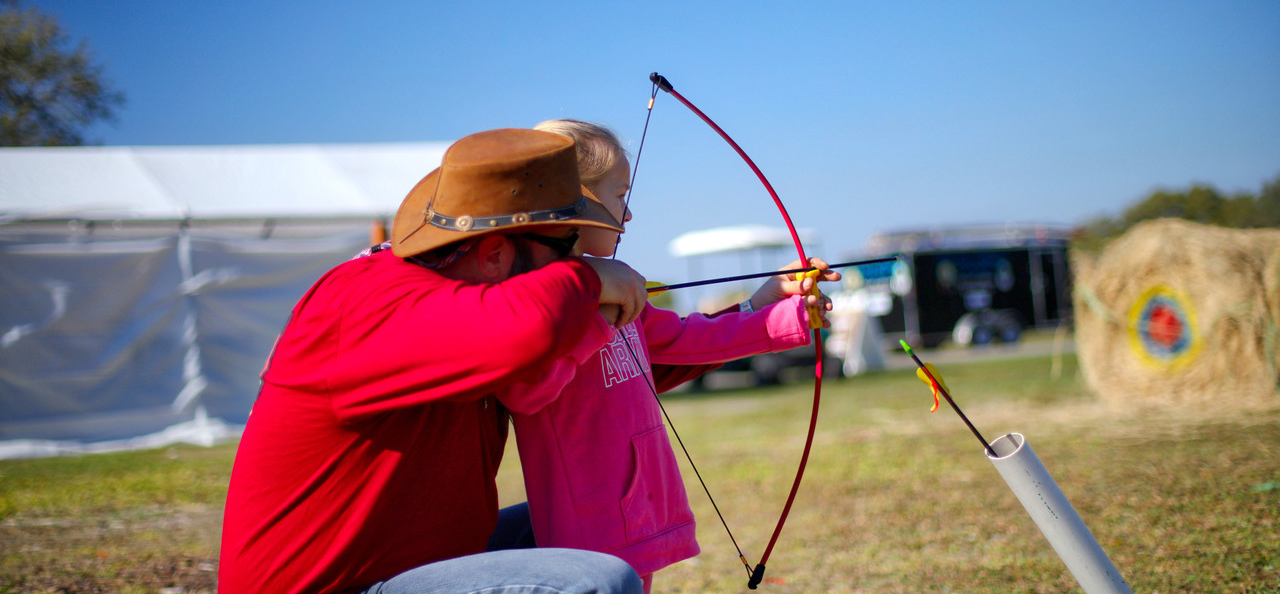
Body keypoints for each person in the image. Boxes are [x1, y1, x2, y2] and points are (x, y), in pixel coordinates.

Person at [219, 128, 651, 594]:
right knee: (594, 583)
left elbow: (586, 359)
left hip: (414, 568)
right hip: (341, 587)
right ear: (496, 255)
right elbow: (529, 328)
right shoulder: (366, 299)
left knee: (595, 517)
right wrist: (590, 277)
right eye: (565, 246)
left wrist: (741, 321)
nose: (576, 255)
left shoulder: (460, 300)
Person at [506, 119, 839, 592]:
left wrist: (787, 311)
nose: (630, 214)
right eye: (620, 195)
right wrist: (593, 306)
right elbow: (525, 389)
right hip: (587, 524)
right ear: (575, 202)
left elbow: (691, 339)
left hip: (634, 503)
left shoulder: (621, 292)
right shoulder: (539, 305)